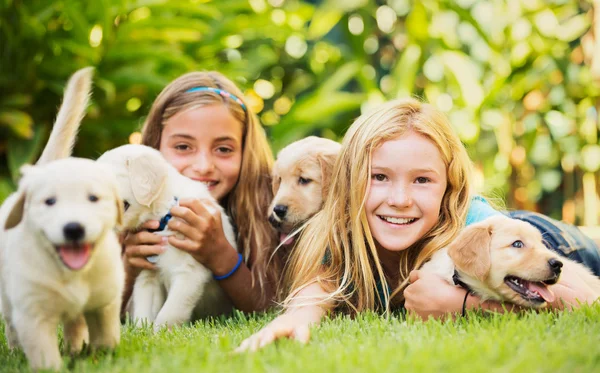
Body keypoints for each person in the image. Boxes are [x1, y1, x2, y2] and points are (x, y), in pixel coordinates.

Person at [235, 98, 600, 351]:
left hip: (541, 241)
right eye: (378, 176)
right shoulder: (340, 231)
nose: (399, 199)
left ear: (449, 188)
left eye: (422, 180)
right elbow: (318, 286)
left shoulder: (470, 220)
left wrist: (462, 305)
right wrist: (297, 318)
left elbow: (586, 300)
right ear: (348, 183)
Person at [121, 71, 281, 313]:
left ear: (245, 153)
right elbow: (93, 313)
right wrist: (128, 268)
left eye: (224, 149)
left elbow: (268, 308)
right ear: (155, 147)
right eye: (183, 147)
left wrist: (221, 256)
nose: (204, 166)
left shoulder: (265, 212)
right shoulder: (128, 210)